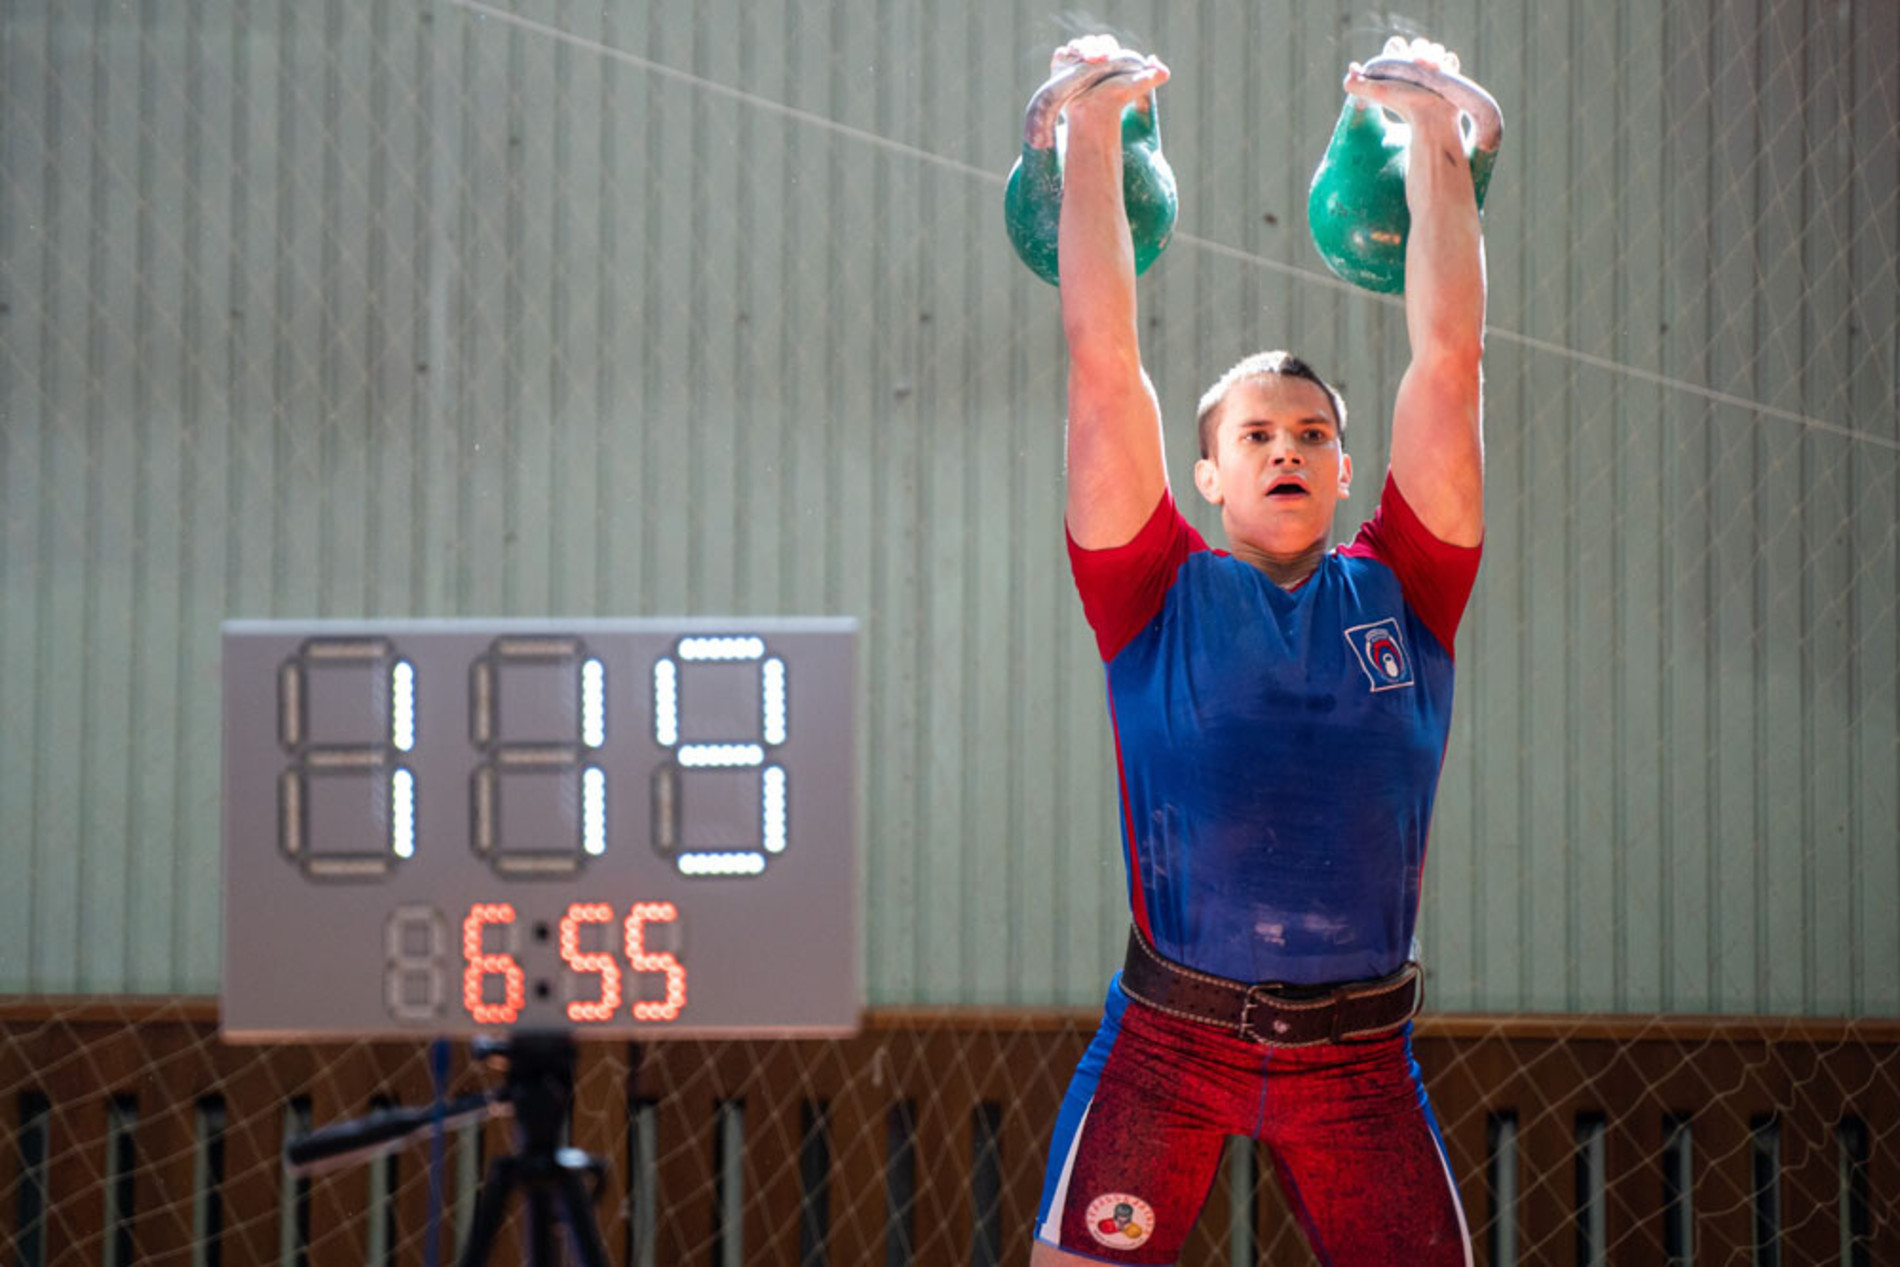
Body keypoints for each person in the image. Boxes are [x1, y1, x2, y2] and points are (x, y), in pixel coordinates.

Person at [1030, 33, 1488, 1267]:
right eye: (1255, 432)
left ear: (1345, 468)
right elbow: (1099, 364)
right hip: (1168, 1049)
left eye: (1310, 430)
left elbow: (1448, 368)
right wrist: (1092, 131)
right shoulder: (1147, 587)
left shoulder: (1410, 585)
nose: (1284, 446)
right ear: (1208, 475)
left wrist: (1437, 136)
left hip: (1361, 1069)